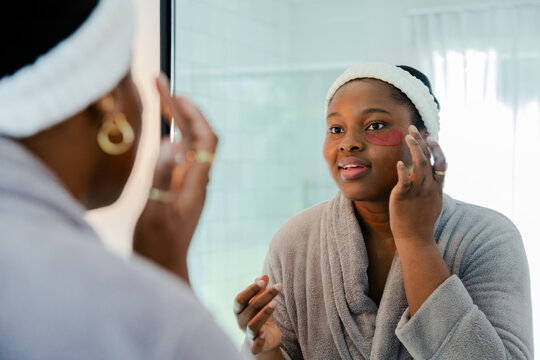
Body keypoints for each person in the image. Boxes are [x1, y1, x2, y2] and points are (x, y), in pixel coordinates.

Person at [233, 62, 533, 359]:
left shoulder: (488, 237)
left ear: (424, 138)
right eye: (336, 129)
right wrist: (269, 350)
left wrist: (416, 239)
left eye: (375, 126)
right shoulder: (295, 241)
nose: (348, 143)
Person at [0, 0, 241, 358]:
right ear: (109, 103)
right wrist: (164, 288)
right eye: (128, 77)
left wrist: (156, 271)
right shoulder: (157, 328)